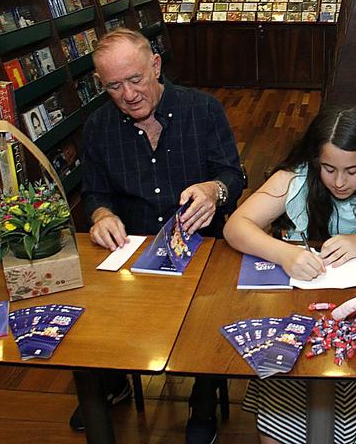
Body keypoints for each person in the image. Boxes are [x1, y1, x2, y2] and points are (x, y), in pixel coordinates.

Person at [224, 105, 356, 444]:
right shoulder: (295, 177)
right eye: (328, 168)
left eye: (353, 170)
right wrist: (284, 253)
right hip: (303, 308)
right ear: (315, 160)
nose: (339, 182)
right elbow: (236, 226)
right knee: (285, 404)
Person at [81, 28, 245, 444]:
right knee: (95, 308)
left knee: (210, 316)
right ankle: (113, 381)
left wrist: (214, 190)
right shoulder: (98, 126)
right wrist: (100, 215)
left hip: (204, 244)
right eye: (114, 86)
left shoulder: (202, 109)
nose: (129, 95)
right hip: (133, 250)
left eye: (135, 79)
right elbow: (94, 193)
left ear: (156, 65)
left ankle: (202, 400)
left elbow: (234, 175)